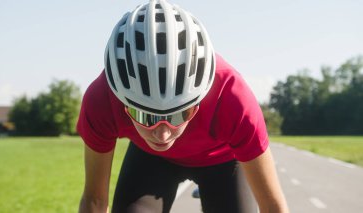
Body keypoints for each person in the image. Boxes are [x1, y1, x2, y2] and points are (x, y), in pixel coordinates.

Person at [77, 0, 289, 212]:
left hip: (222, 161)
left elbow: (272, 206)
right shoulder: (101, 100)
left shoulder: (233, 98)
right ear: (123, 103)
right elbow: (94, 200)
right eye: (146, 117)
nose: (162, 135)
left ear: (197, 103)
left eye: (178, 115)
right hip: (151, 159)